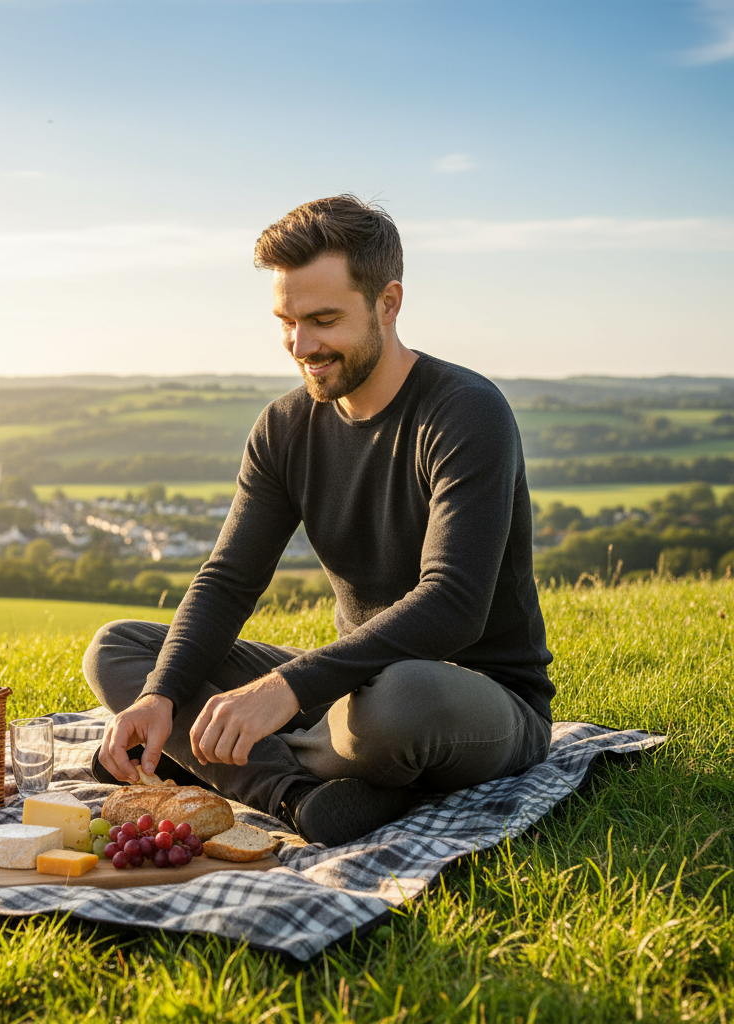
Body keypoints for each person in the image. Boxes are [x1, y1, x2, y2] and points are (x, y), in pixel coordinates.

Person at [82, 194, 554, 847]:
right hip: (347, 686)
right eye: (286, 320)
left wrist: (283, 690)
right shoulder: (284, 427)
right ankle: (299, 796)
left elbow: (454, 604)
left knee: (401, 703)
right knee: (121, 650)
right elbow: (227, 581)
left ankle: (206, 758)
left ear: (388, 303)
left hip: (469, 694)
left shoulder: (466, 412)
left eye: (324, 319)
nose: (301, 345)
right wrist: (161, 695)